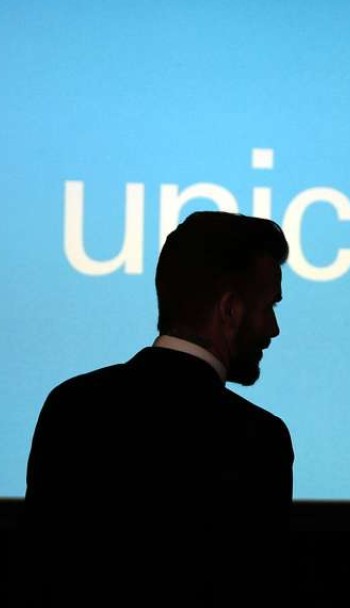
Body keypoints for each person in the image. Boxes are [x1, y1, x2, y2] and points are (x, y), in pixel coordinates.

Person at [19, 211, 293, 606]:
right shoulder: (259, 440)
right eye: (269, 307)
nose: (273, 328)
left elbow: (36, 573)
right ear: (230, 310)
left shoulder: (71, 405)